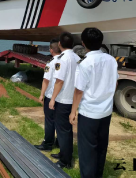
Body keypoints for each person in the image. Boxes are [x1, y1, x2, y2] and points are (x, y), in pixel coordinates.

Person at [69, 28, 118, 178]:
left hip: (89, 113)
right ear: (101, 42)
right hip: (106, 111)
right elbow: (115, 83)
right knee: (101, 147)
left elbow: (79, 91)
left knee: (87, 149)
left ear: (83, 43)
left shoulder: (85, 63)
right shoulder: (111, 60)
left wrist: (73, 111)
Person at [49, 32, 80, 169]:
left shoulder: (62, 59)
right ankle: (64, 153)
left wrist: (53, 98)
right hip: (72, 98)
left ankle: (65, 161)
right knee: (66, 130)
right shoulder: (77, 57)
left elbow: (59, 81)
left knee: (62, 131)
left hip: (63, 99)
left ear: (60, 44)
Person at [34, 38, 61, 151]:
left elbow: (46, 80)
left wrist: (41, 95)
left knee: (50, 120)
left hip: (51, 96)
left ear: (51, 50)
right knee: (61, 121)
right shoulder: (66, 60)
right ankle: (60, 141)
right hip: (63, 97)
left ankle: (48, 143)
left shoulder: (50, 63)